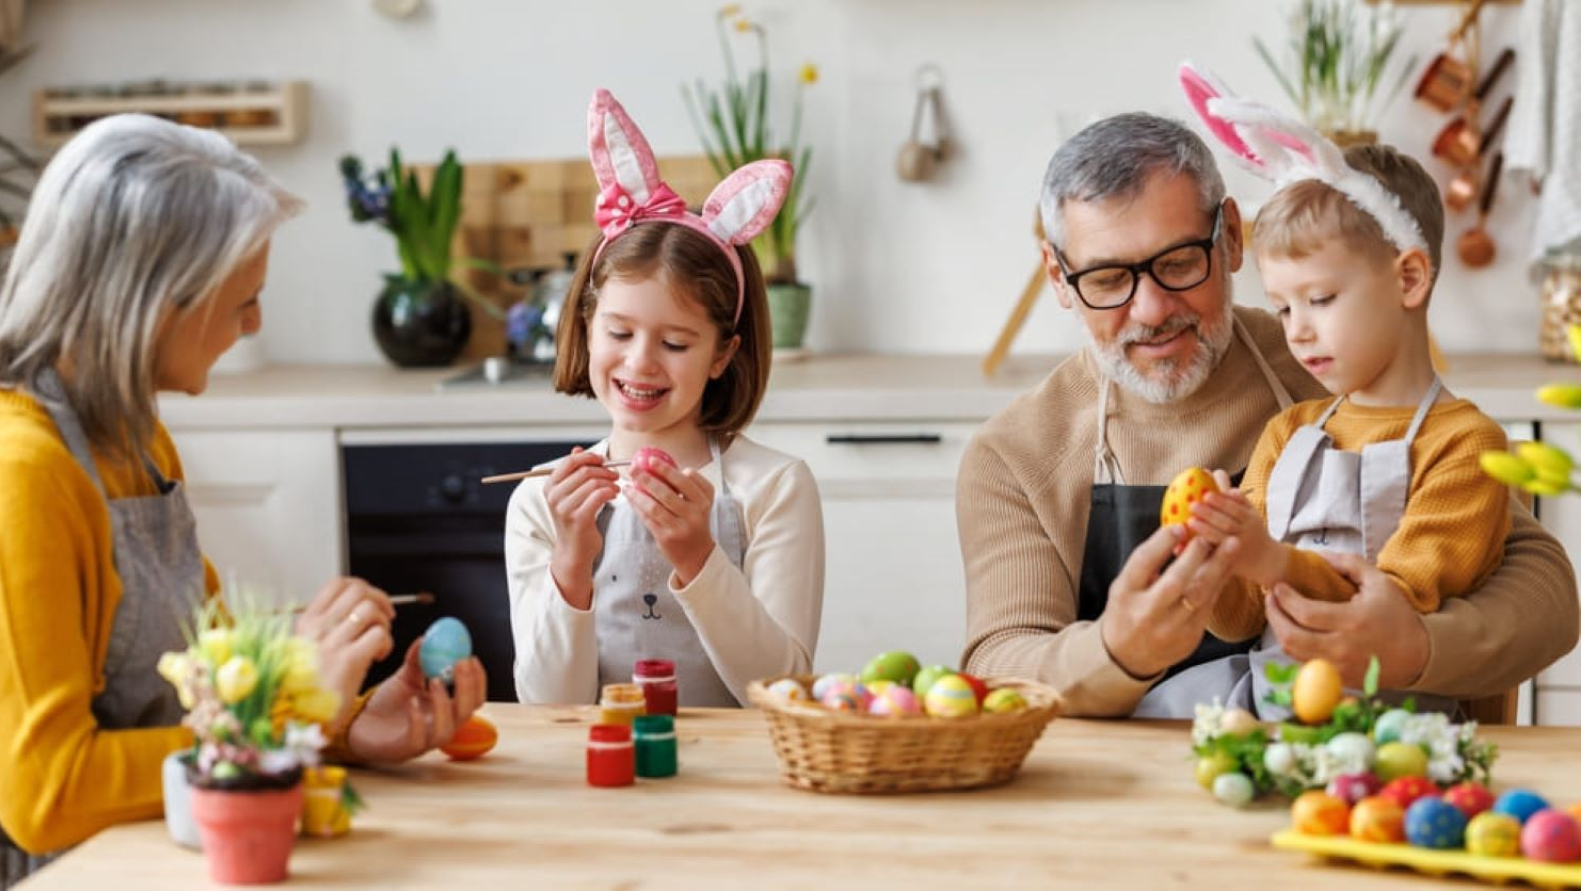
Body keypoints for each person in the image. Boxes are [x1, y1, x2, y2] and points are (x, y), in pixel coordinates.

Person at [0, 114, 488, 888]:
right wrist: (298, 714)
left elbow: (210, 679)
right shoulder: (16, 471)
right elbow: (48, 794)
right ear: (154, 301)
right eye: (243, 299)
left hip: (162, 847)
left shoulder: (131, 433)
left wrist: (350, 723)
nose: (254, 323)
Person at [956, 107, 1578, 719]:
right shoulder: (1015, 454)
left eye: (1177, 264)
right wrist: (1115, 653)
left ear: (1230, 237)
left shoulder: (1338, 372)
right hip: (1123, 790)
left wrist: (1412, 648)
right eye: (1107, 277)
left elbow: (1544, 589)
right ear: (1059, 278)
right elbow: (998, 660)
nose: (1148, 309)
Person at [505, 90, 825, 707]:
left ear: (723, 355)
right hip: (601, 779)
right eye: (620, 333)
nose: (640, 362)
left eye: (676, 343)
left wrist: (698, 556)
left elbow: (785, 691)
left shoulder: (776, 487)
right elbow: (549, 709)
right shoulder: (540, 501)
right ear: (587, 328)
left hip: (738, 787)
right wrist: (571, 562)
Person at [1175, 76, 1509, 665]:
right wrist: (1214, 561)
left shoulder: (1466, 446)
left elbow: (1393, 609)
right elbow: (1242, 620)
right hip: (1273, 708)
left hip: (1387, 727)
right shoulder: (1289, 434)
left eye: (1321, 299)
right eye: (1283, 307)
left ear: (1408, 279)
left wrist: (1272, 560)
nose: (1296, 329)